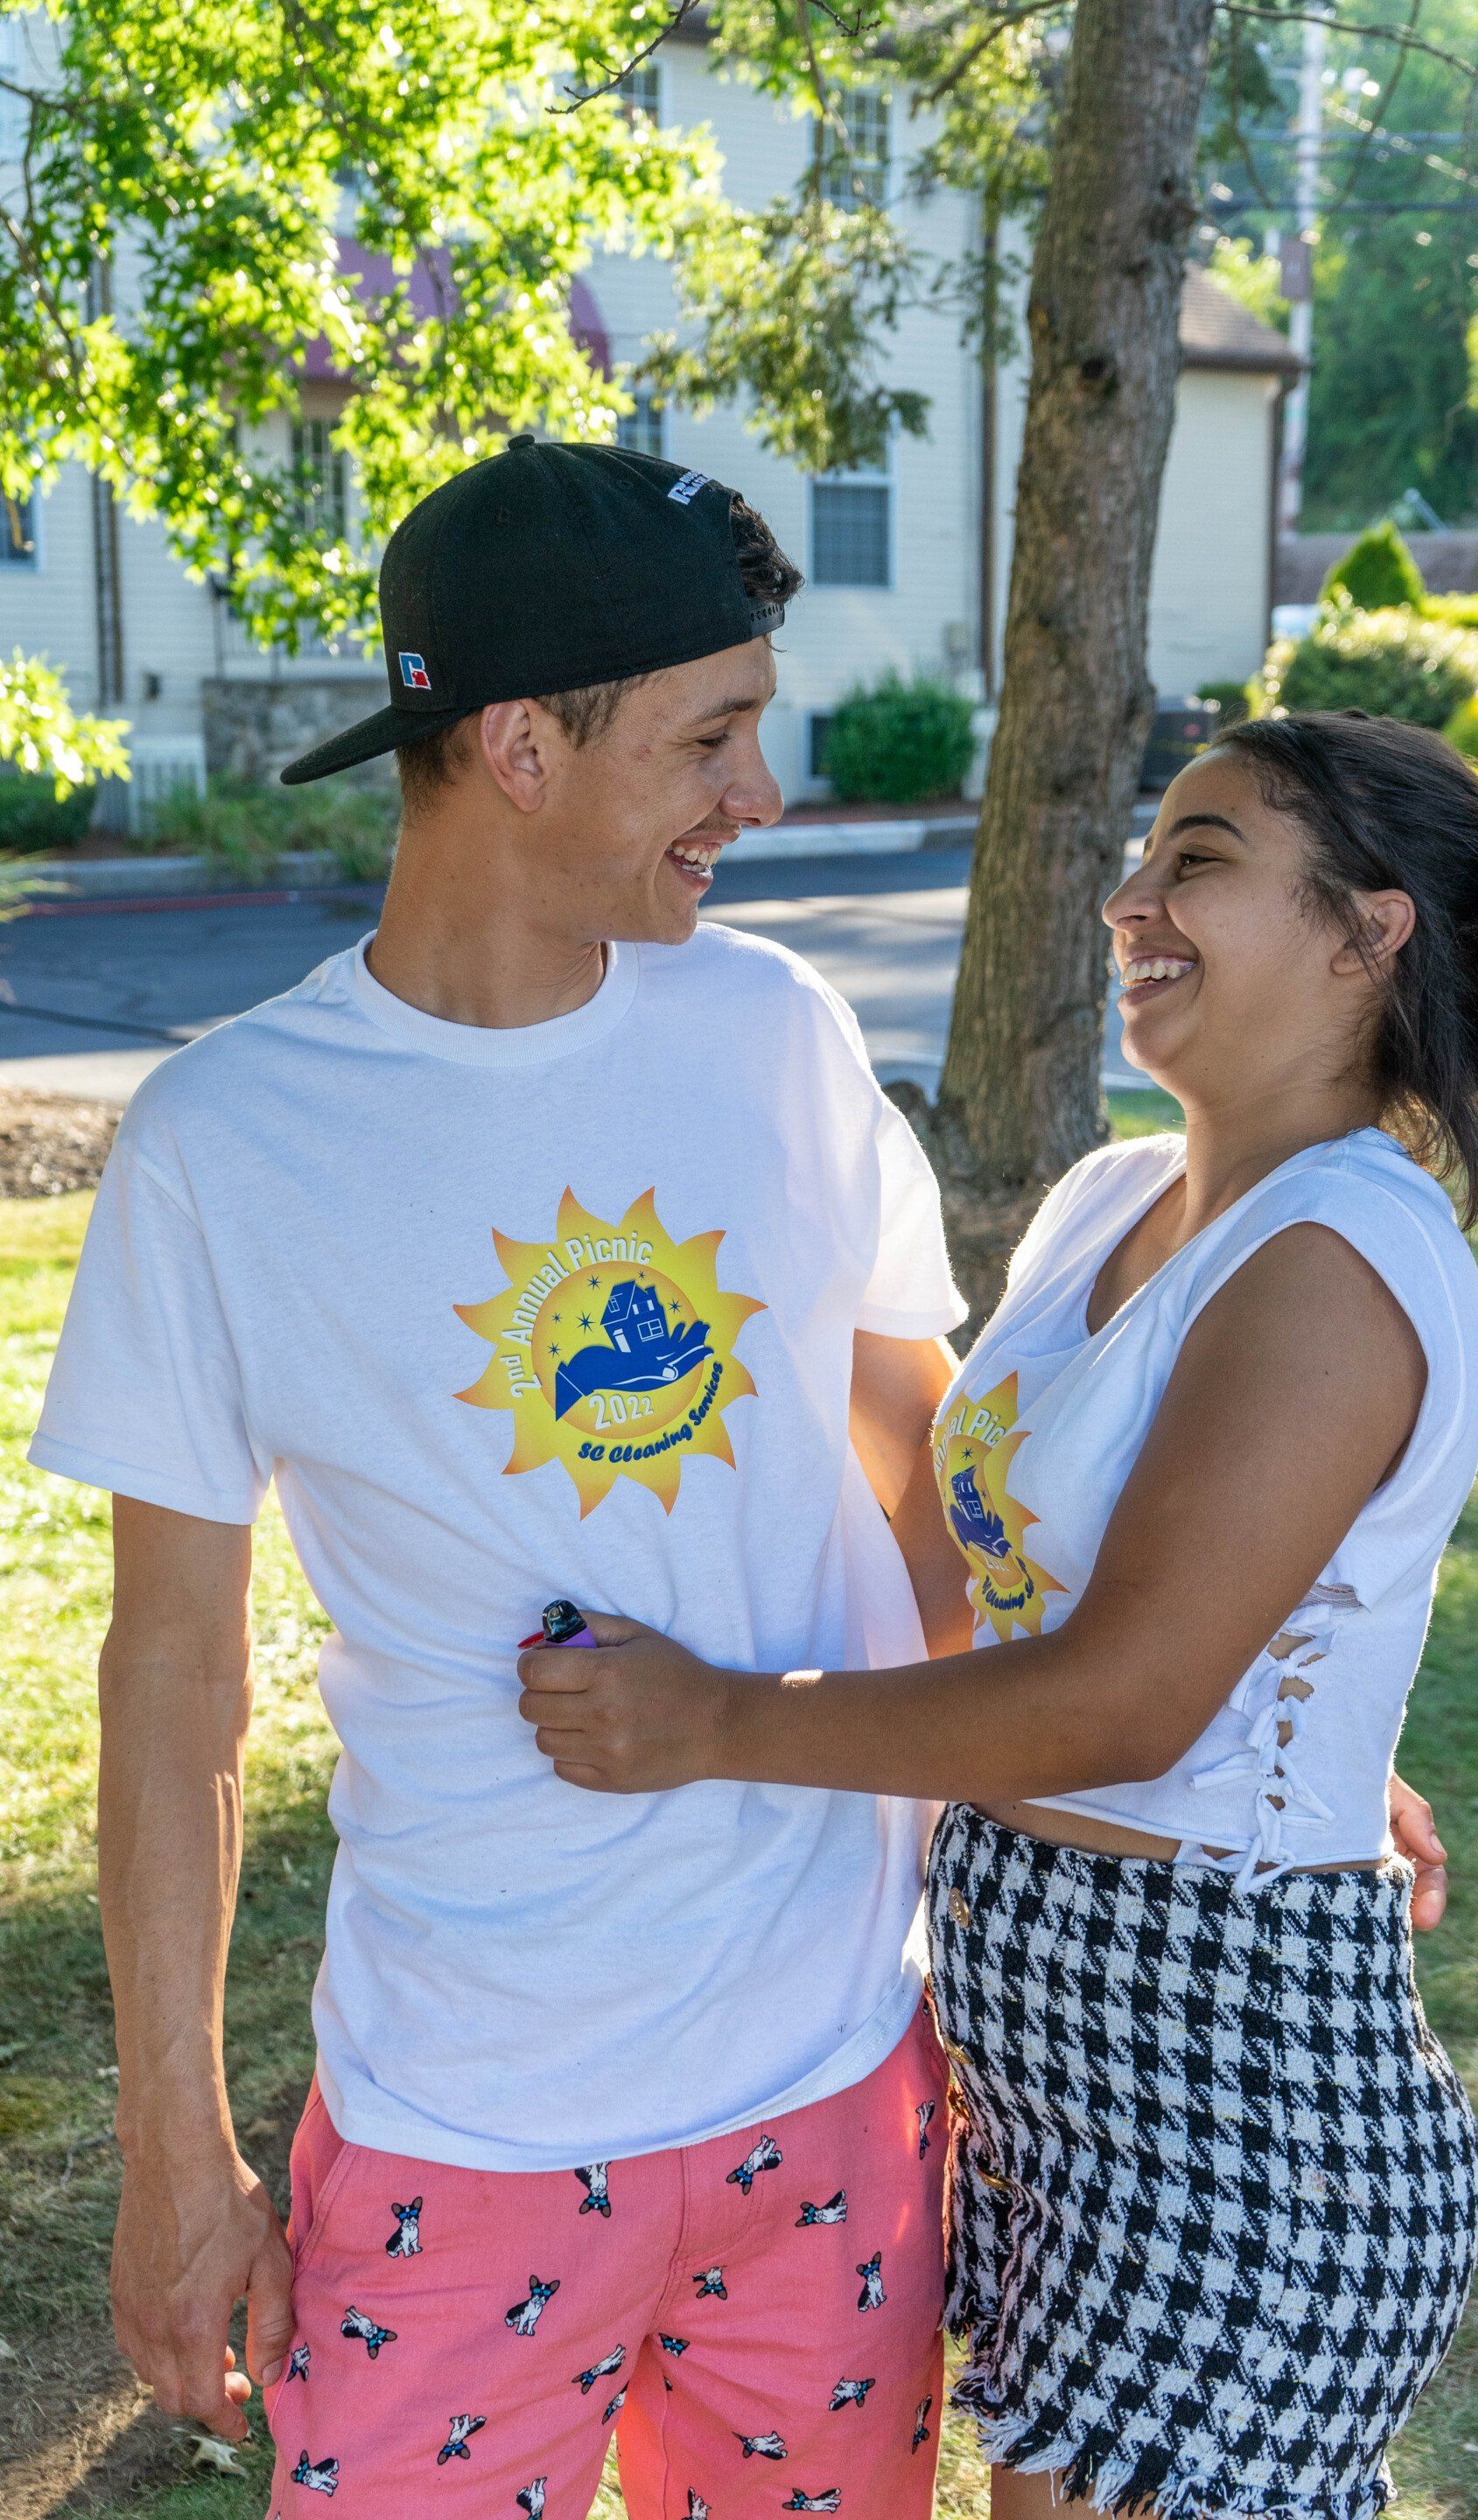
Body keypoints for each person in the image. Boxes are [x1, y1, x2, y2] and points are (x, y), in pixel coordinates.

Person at [515, 712, 1478, 2520]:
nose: (1132, 895)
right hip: (1053, 2071)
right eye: (1145, 853)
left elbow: (1128, 1699)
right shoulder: (1118, 1195)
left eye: (1201, 861)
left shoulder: (1340, 1254)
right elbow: (992, 1530)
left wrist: (716, 1722)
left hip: (1239, 2096)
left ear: (1370, 934)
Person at [31, 439, 976, 2520]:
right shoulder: (226, 1141)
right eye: (712, 737)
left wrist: (1180, 1752)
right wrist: (181, 2156)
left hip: (835, 2086)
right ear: (523, 747)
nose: (764, 796)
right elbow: (173, 1679)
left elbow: (928, 1476)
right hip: (463, 2123)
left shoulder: (779, 1032)